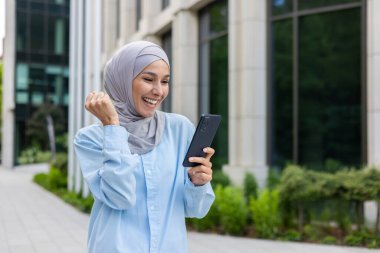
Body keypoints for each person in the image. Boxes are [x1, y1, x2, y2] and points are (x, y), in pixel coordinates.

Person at [74, 40, 215, 253]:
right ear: (122, 80)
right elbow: (119, 197)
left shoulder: (180, 129)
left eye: (165, 81)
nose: (158, 91)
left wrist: (198, 183)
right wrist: (113, 127)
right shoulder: (90, 138)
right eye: (148, 79)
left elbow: (197, 210)